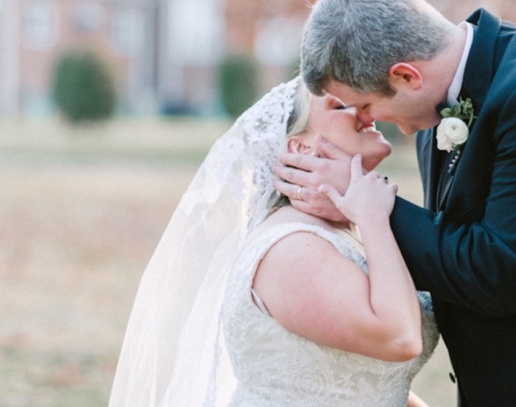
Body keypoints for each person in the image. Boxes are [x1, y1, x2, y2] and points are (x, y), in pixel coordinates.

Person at [273, 0, 516, 406]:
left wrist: (369, 207)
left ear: (406, 76)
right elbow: (449, 239)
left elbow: (501, 272)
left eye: (365, 105)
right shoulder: (431, 112)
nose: (368, 120)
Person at [108, 78, 438, 406]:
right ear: (300, 148)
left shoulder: (339, 233)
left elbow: (357, 383)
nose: (365, 112)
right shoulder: (292, 250)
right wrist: (373, 216)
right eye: (342, 106)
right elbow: (399, 338)